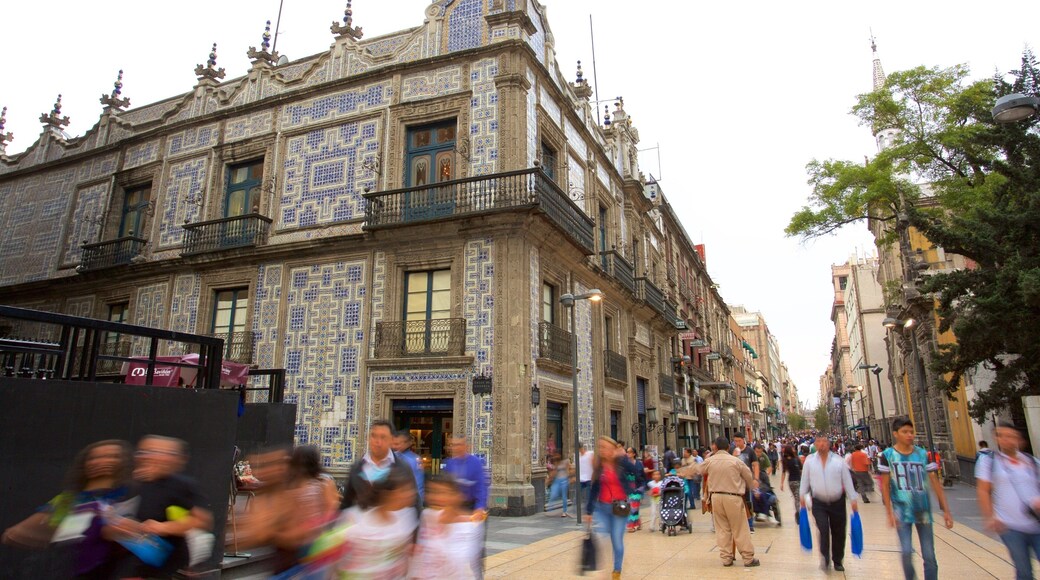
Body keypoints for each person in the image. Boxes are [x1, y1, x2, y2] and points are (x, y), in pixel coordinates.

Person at [3, 439, 133, 578]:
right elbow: (14, 534)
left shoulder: (129, 493)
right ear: (85, 464)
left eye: (111, 456)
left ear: (124, 462)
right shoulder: (69, 500)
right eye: (94, 458)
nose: (101, 461)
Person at [104, 435, 213, 579]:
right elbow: (109, 516)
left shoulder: (181, 485)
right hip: (123, 556)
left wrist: (162, 527)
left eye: (156, 452)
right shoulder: (127, 483)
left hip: (159, 559)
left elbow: (202, 521)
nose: (147, 457)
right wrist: (115, 526)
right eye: (143, 452)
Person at [879, 417, 954, 580]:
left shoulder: (922, 454)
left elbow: (935, 482)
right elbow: (885, 485)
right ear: (895, 434)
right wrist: (889, 512)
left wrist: (946, 510)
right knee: (906, 552)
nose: (909, 435)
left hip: (923, 511)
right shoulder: (887, 456)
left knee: (929, 555)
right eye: (905, 432)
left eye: (911, 432)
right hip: (901, 511)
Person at [677, 437, 760, 567]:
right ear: (728, 447)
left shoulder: (710, 461)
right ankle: (748, 558)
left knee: (722, 529)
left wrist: (680, 472)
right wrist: (752, 487)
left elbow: (695, 469)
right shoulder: (736, 461)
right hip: (733, 497)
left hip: (716, 497)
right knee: (740, 528)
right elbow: (748, 476)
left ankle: (726, 558)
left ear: (715, 447)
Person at [977, 422, 1040, 580]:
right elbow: (983, 490)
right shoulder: (988, 462)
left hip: (1036, 523)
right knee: (1024, 571)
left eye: (1010, 436)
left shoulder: (1032, 462)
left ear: (1019, 439)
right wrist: (989, 516)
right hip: (1009, 526)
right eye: (1000, 436)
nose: (1005, 439)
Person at [337, 467, 419, 578]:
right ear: (389, 494)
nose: (411, 493)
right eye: (405, 490)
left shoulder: (407, 516)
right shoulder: (354, 519)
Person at [584, 436, 642, 580]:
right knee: (602, 537)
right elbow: (594, 489)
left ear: (612, 449)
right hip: (603, 507)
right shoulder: (599, 466)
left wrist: (623, 457)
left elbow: (636, 470)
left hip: (620, 507)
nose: (602, 450)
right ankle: (604, 569)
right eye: (600, 447)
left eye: (605, 447)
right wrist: (589, 511)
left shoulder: (621, 463)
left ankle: (616, 571)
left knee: (616, 539)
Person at [800, 435, 859, 572]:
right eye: (819, 441)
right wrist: (802, 496)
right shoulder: (809, 461)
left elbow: (847, 480)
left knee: (839, 531)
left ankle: (837, 560)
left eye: (824, 441)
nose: (821, 444)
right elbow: (805, 479)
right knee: (823, 529)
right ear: (815, 444)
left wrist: (853, 498)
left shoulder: (839, 461)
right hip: (818, 502)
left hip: (837, 502)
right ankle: (825, 557)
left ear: (829, 444)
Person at [409, 474, 482, 579]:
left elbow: (462, 564)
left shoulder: (468, 527)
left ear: (457, 496)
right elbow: (421, 558)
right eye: (431, 492)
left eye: (443, 492)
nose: (436, 498)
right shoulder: (427, 515)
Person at [341, 420, 418, 511]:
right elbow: (347, 503)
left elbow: (414, 502)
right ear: (368, 438)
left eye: (383, 437)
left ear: (391, 440)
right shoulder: (357, 468)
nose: (378, 442)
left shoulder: (402, 468)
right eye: (374, 436)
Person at [732, 435, 760, 533]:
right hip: (735, 481)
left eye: (739, 441)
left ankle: (750, 524)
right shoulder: (732, 450)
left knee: (748, 502)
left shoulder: (750, 451)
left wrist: (756, 479)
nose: (737, 443)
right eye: (735, 441)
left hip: (747, 481)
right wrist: (734, 456)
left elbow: (755, 465)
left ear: (743, 440)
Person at [394, 431, 425, 506]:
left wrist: (418, 501)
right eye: (396, 443)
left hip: (410, 501)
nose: (397, 446)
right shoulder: (393, 456)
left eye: (400, 443)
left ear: (408, 443)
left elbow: (418, 482)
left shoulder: (414, 460)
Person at [779, 444, 802, 520]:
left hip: (790, 481)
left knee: (796, 497)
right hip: (798, 480)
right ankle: (798, 512)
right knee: (797, 498)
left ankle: (798, 512)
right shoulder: (797, 459)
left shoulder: (785, 461)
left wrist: (782, 483)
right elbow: (801, 470)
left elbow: (783, 472)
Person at [625, 447, 645, 532]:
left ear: (634, 454)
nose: (628, 453)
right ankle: (638, 522)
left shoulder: (639, 464)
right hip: (629, 488)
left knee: (634, 507)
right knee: (632, 507)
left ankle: (631, 526)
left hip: (638, 487)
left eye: (630, 452)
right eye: (627, 452)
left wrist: (643, 487)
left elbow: (643, 475)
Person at [546, 452, 572, 517]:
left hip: (564, 480)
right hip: (557, 480)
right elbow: (554, 472)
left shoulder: (566, 461)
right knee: (553, 494)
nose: (555, 457)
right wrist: (549, 479)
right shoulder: (556, 463)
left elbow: (569, 469)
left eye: (557, 455)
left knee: (564, 496)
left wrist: (569, 478)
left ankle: (564, 512)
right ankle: (550, 508)